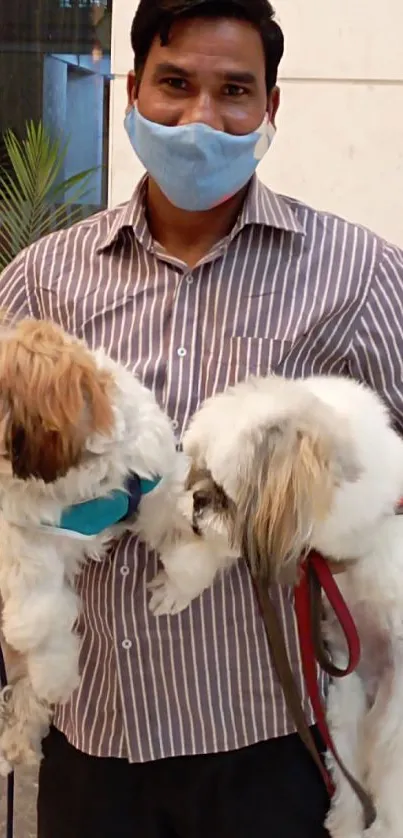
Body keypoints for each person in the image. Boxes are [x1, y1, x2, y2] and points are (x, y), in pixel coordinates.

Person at [0, 0, 402, 835]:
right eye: (174, 84)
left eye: (234, 92)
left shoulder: (356, 273)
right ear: (130, 91)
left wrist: (340, 497)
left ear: (270, 108)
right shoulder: (46, 279)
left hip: (272, 743)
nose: (200, 119)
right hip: (96, 742)